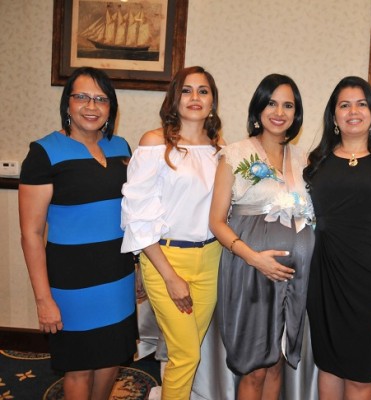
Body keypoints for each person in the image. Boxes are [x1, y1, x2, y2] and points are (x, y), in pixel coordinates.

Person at [18, 66, 137, 399]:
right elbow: (31, 234)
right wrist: (44, 300)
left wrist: (138, 270)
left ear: (111, 107)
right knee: (80, 366)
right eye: (82, 96)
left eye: (101, 99)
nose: (91, 106)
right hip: (72, 283)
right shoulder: (44, 153)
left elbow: (131, 215)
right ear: (67, 103)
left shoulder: (121, 148)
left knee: (112, 358)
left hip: (118, 274)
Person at [303, 76, 371, 400]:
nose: (353, 111)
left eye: (361, 103)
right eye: (344, 104)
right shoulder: (317, 161)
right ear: (334, 116)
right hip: (324, 279)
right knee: (328, 366)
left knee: (360, 373)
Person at [209, 73, 315, 400]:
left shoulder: (303, 158)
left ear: (296, 114)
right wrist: (255, 258)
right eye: (271, 102)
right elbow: (216, 222)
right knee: (255, 365)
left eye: (288, 105)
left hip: (293, 278)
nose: (279, 111)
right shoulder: (234, 154)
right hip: (250, 271)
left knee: (276, 362)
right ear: (258, 108)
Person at [120, 66, 223, 400]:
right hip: (167, 259)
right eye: (187, 90)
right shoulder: (154, 143)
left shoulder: (220, 147)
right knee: (186, 354)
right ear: (174, 98)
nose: (195, 98)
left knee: (188, 354)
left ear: (213, 101)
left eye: (203, 91)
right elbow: (138, 215)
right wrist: (168, 276)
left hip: (211, 260)